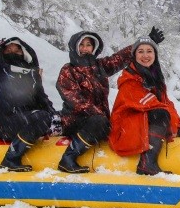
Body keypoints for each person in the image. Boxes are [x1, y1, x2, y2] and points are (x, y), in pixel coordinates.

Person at [55, 27, 164, 173]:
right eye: (81, 45)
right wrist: (99, 116)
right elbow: (74, 99)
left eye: (88, 45)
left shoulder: (99, 66)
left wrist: (146, 42)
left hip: (100, 122)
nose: (85, 48)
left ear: (94, 47)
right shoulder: (68, 70)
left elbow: (120, 58)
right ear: (74, 47)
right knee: (99, 122)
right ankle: (68, 158)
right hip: (75, 120)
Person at [109, 36, 180, 175]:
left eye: (149, 51)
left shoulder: (154, 77)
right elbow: (154, 106)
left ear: (155, 55)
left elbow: (166, 103)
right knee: (161, 115)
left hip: (142, 123)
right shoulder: (128, 79)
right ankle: (147, 164)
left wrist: (177, 125)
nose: (145, 55)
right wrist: (171, 122)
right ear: (134, 56)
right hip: (126, 127)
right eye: (140, 51)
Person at [0, 37, 55, 172]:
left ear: (24, 51)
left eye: (16, 48)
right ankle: (11, 159)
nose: (12, 51)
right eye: (8, 49)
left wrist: (55, 115)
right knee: (42, 117)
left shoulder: (31, 74)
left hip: (27, 121)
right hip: (5, 123)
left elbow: (41, 98)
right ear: (2, 52)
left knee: (46, 116)